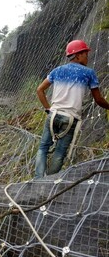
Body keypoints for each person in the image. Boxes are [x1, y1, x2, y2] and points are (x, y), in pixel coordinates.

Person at [35, 39, 109, 179]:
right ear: (78, 55)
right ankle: (48, 183)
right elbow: (98, 100)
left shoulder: (57, 71)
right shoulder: (89, 73)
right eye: (86, 54)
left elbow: (40, 90)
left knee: (43, 148)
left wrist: (47, 109)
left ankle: (38, 179)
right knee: (59, 153)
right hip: (70, 119)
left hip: (53, 115)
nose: (87, 57)